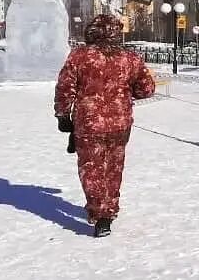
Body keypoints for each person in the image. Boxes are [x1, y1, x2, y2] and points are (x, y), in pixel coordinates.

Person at [54, 13, 156, 237]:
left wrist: (63, 115)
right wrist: (124, 93)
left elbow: (65, 87)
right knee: (113, 167)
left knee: (92, 169)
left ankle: (101, 215)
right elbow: (147, 88)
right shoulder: (130, 58)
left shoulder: (80, 57)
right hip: (120, 123)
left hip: (89, 124)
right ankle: (110, 209)